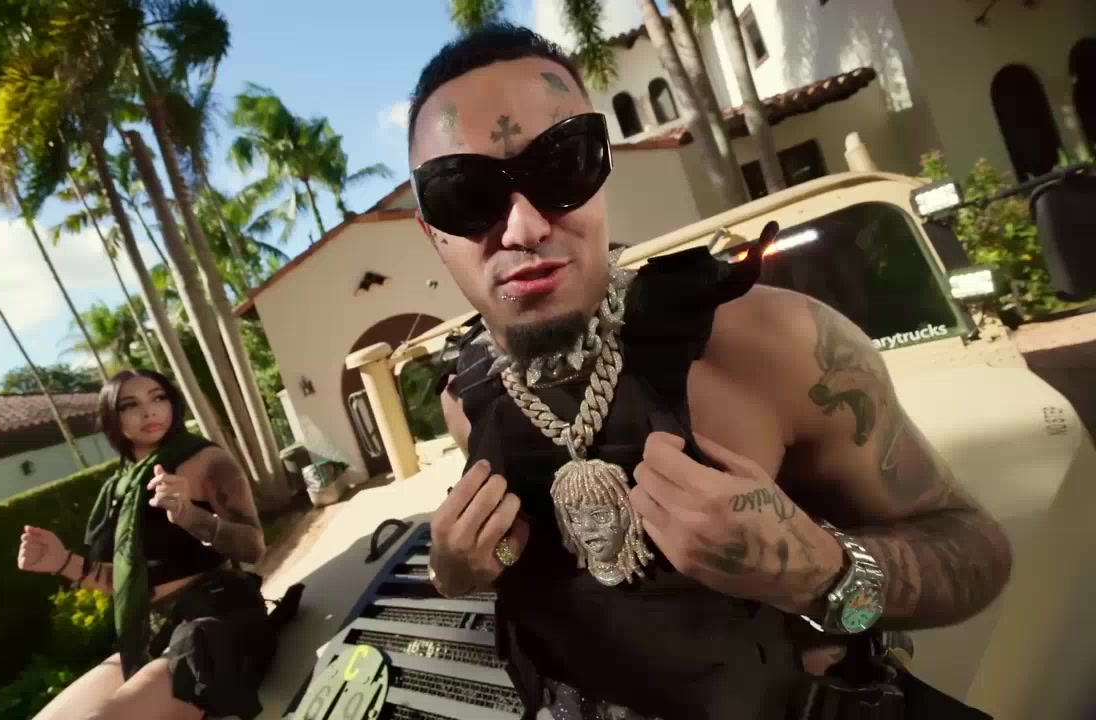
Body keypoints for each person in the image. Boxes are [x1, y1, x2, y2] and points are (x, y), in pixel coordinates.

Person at [413, 24, 1013, 720]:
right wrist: (453, 572)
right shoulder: (468, 399)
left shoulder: (776, 344)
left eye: (562, 165)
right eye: (464, 194)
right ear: (432, 232)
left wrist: (819, 571)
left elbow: (977, 552)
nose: (524, 228)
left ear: (602, 171)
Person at [16, 369, 277, 720]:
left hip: (215, 619)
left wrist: (190, 515)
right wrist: (62, 561)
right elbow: (130, 581)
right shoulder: (121, 486)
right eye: (130, 405)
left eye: (158, 398)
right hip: (153, 630)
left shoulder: (206, 459)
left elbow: (254, 548)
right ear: (112, 418)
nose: (149, 411)